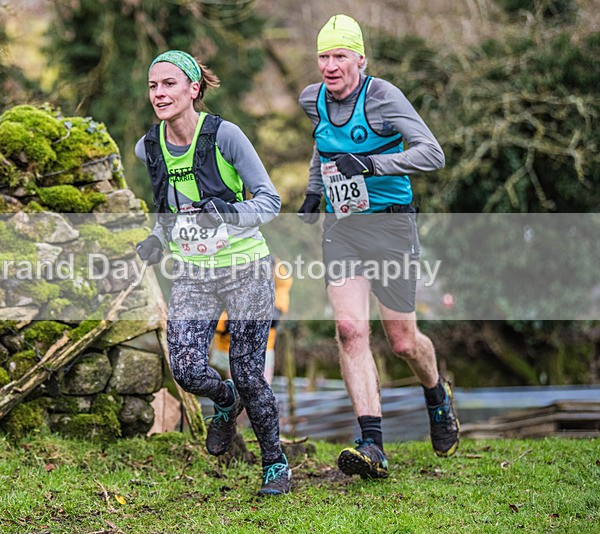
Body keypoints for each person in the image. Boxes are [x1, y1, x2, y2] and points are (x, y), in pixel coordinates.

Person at [296, 14, 459, 479]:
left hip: (391, 226)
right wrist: (313, 192)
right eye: (323, 56)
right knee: (350, 329)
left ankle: (436, 394)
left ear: (360, 59)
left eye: (339, 56)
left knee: (403, 341)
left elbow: (432, 153)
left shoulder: (383, 97)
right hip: (343, 227)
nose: (330, 65)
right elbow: (323, 145)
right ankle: (372, 443)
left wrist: (370, 164)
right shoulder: (312, 99)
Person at [134, 50, 291, 495]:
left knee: (248, 372)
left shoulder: (225, 136)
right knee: (185, 369)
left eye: (169, 84)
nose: (159, 93)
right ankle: (225, 401)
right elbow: (170, 210)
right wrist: (156, 238)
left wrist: (227, 212)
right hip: (194, 272)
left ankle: (275, 465)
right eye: (153, 86)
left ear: (193, 89)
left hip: (246, 268)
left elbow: (270, 201)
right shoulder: (149, 147)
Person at [210, 258, 293, 384]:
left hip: (263, 342)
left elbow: (283, 285)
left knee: (262, 381)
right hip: (230, 342)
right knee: (236, 381)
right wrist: (224, 323)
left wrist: (275, 309)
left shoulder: (272, 263)